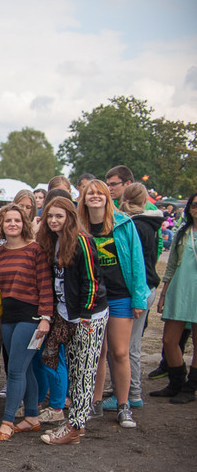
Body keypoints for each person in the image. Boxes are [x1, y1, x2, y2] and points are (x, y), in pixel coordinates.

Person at [35, 197, 109, 444]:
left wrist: (86, 316)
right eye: (50, 216)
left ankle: (75, 427)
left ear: (69, 217)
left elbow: (92, 280)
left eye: (59, 216)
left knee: (84, 371)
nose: (54, 220)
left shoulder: (82, 240)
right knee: (73, 367)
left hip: (88, 316)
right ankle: (78, 423)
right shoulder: (51, 241)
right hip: (66, 315)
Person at [77, 179, 149, 428]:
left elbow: (138, 263)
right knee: (96, 353)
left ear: (109, 197)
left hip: (120, 296)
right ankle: (94, 402)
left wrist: (139, 299)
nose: (95, 196)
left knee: (120, 352)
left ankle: (123, 404)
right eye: (90, 193)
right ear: (83, 198)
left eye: (100, 193)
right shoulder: (79, 227)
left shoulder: (124, 224)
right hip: (92, 298)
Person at [0, 204, 53, 441]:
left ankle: (8, 422)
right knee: (26, 368)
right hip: (7, 318)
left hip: (31, 318)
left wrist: (46, 318)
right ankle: (31, 416)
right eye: (8, 220)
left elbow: (45, 286)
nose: (13, 224)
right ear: (1, 224)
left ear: (24, 224)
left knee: (15, 370)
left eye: (17, 220)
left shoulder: (36, 251)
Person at [110, 183, 162, 410]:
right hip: (147, 288)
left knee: (127, 348)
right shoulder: (151, 224)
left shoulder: (133, 225)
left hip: (137, 291)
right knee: (131, 346)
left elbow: (133, 265)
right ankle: (131, 392)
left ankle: (131, 394)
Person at [153, 192, 197, 402]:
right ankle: (176, 382)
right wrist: (163, 293)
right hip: (180, 288)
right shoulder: (182, 232)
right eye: (195, 204)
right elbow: (170, 266)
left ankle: (190, 389)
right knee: (170, 340)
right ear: (189, 208)